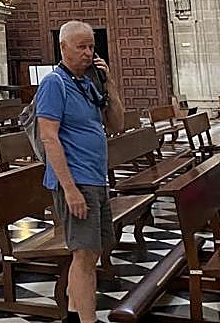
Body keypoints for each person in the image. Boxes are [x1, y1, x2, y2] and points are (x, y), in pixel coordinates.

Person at [36, 20, 126, 323]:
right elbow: (49, 137)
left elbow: (117, 124)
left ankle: (74, 315)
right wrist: (70, 189)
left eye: (91, 47)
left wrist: (108, 82)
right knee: (84, 255)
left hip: (95, 177)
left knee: (94, 251)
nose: (88, 53)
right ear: (63, 47)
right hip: (76, 181)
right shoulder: (54, 83)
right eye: (81, 47)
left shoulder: (88, 83)